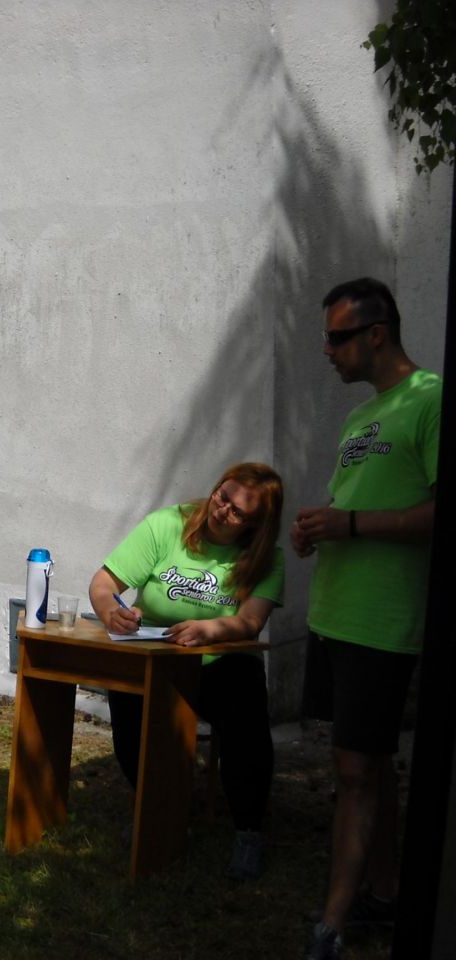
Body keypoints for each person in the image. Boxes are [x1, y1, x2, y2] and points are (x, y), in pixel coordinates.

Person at [292, 279, 439, 960]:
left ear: (376, 334)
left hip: (382, 621)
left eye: (337, 336)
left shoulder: (431, 399)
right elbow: (356, 504)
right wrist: (320, 528)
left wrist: (348, 524)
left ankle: (332, 924)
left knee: (352, 773)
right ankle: (384, 891)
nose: (327, 350)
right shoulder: (360, 418)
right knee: (371, 762)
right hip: (337, 614)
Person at [89, 462, 285, 881]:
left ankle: (249, 829)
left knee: (246, 708)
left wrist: (211, 629)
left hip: (220, 662)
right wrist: (111, 613)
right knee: (126, 696)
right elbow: (104, 583)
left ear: (257, 525)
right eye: (222, 496)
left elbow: (251, 621)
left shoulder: (268, 557)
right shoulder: (167, 524)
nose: (222, 511)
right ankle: (153, 805)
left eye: (237, 512)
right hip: (154, 654)